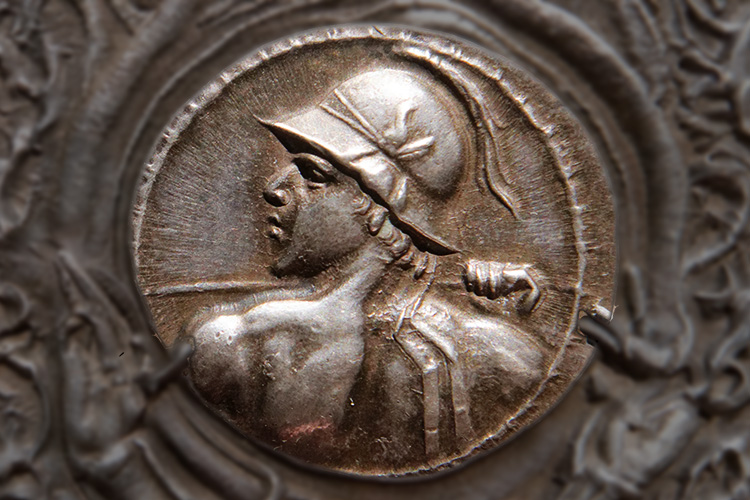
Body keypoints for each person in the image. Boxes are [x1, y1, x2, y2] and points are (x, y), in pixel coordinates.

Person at [184, 68, 551, 469]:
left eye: (312, 175)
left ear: (380, 208)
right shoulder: (502, 355)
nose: (274, 188)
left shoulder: (234, 345)